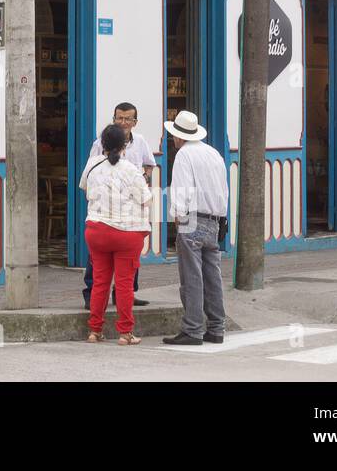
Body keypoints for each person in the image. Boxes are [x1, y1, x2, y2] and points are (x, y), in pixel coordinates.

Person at [79, 123, 152, 345]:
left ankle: (95, 331)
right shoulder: (130, 169)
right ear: (125, 145)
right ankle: (125, 333)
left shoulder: (92, 165)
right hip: (126, 233)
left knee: (100, 281)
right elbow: (146, 199)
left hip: (97, 230)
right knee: (124, 284)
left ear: (102, 144)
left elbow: (85, 189)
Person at [162, 110, 230, 346]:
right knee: (213, 277)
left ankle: (192, 329)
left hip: (192, 219)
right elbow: (223, 190)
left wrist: (177, 216)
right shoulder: (214, 154)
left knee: (191, 277)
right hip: (215, 219)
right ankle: (217, 328)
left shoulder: (184, 155)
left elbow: (181, 188)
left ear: (178, 137)